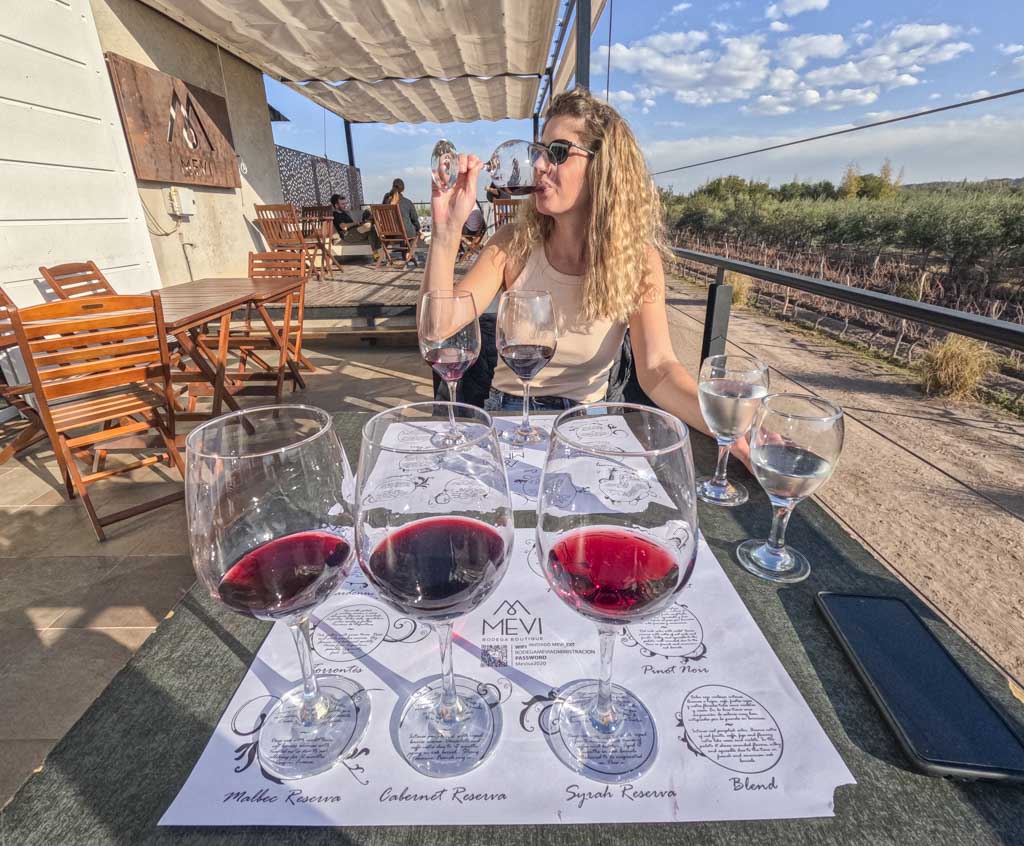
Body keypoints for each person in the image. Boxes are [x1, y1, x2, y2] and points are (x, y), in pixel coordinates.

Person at [421, 87, 749, 466]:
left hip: (588, 425)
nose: (540, 165)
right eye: (540, 153)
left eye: (558, 152)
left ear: (603, 166)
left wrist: (728, 426)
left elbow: (658, 369)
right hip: (510, 413)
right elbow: (437, 328)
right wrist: (446, 232)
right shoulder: (513, 243)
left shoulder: (637, 260)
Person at [382, 178, 421, 268]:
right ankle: (408, 254)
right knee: (413, 233)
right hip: (404, 233)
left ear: (392, 187)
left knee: (407, 231)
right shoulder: (407, 202)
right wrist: (418, 229)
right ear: (403, 189)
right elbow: (414, 219)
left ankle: (405, 254)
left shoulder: (386, 201)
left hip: (389, 234)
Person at [330, 193, 379, 259]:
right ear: (336, 205)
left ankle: (377, 255)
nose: (345, 205)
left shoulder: (345, 213)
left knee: (368, 213)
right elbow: (343, 227)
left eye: (345, 203)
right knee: (370, 227)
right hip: (348, 235)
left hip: (355, 231)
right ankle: (377, 255)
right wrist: (356, 223)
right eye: (342, 204)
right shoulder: (335, 215)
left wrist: (360, 223)